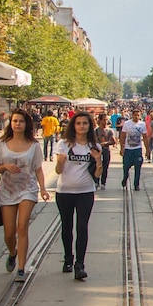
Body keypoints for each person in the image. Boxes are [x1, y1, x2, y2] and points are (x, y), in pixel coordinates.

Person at [0, 109, 50, 282]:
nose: (17, 124)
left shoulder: (34, 146)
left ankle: (21, 268)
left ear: (27, 124)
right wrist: (5, 167)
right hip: (7, 190)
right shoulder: (2, 144)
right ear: (11, 123)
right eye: (15, 121)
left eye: (21, 121)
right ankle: (12, 253)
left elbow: (38, 169)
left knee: (22, 226)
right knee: (9, 233)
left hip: (28, 189)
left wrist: (43, 189)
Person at [54, 112, 103, 280]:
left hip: (85, 192)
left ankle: (80, 263)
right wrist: (60, 162)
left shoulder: (94, 146)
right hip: (65, 192)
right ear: (73, 126)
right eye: (78, 123)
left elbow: (97, 175)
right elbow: (58, 171)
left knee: (82, 227)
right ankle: (68, 258)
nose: (82, 126)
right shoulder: (64, 144)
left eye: (85, 123)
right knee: (67, 226)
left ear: (90, 126)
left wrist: (98, 160)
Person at [120, 109, 147, 190]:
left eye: (138, 115)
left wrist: (147, 149)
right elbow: (123, 136)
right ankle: (125, 178)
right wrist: (122, 147)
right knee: (126, 166)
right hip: (128, 149)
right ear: (132, 115)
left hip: (137, 149)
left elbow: (145, 137)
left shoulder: (142, 124)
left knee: (138, 167)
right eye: (135, 115)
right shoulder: (127, 124)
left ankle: (136, 184)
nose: (137, 117)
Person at [94, 114, 116, 189]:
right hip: (97, 151)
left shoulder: (109, 130)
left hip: (106, 150)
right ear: (99, 120)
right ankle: (96, 181)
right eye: (104, 119)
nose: (105, 121)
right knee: (97, 166)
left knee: (105, 167)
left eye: (106, 119)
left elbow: (113, 141)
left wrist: (106, 143)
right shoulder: (96, 131)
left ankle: (103, 182)